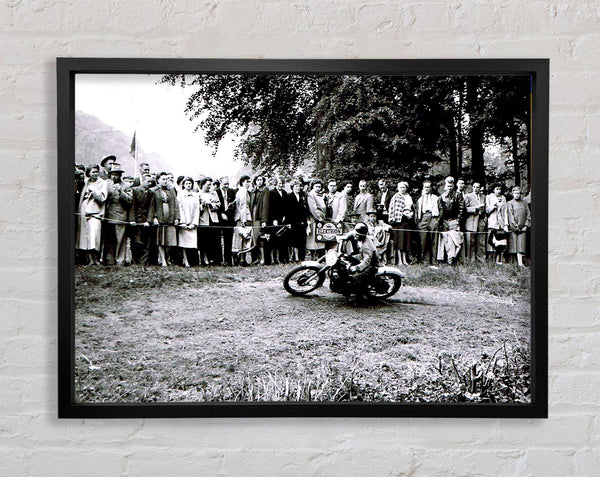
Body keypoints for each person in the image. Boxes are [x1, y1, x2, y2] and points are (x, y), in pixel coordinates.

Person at [76, 164, 108, 265]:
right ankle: (89, 259)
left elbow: (103, 198)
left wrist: (93, 191)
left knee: (95, 235)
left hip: (96, 211)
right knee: (85, 235)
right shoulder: (86, 182)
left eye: (96, 171)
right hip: (84, 210)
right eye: (93, 172)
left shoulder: (103, 183)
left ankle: (96, 258)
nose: (95, 174)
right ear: (88, 173)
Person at [148, 171, 180, 266]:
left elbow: (175, 205)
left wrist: (177, 217)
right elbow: (152, 206)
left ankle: (167, 257)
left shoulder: (171, 190)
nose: (165, 181)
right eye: (163, 179)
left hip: (170, 217)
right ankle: (163, 260)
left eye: (166, 179)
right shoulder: (154, 191)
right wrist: (154, 217)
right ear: (158, 180)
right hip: (160, 217)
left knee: (170, 241)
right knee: (160, 240)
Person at [103, 164, 132, 266]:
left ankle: (120, 260)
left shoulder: (126, 186)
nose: (114, 177)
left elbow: (130, 200)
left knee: (121, 239)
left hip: (120, 216)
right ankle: (109, 260)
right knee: (109, 239)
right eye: (112, 174)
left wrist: (121, 191)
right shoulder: (106, 184)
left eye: (117, 174)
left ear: (120, 175)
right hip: (107, 216)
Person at [346, 222, 379, 304]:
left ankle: (360, 298)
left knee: (355, 277)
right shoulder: (365, 239)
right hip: (368, 261)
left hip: (372, 265)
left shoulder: (366, 246)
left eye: (357, 235)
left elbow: (366, 262)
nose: (355, 236)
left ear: (361, 235)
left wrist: (356, 268)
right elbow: (362, 256)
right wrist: (351, 257)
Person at [437, 177, 465, 265]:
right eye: (448, 185)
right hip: (445, 221)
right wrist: (441, 222)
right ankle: (446, 259)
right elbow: (440, 209)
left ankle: (455, 259)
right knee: (447, 241)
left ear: (453, 185)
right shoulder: (441, 197)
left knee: (456, 241)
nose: (449, 187)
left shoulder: (458, 195)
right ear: (445, 185)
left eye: (451, 185)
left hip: (454, 221)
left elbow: (462, 208)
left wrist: (458, 219)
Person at [130, 173, 155, 265]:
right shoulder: (135, 190)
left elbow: (152, 208)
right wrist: (132, 219)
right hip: (136, 220)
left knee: (146, 242)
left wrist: (149, 221)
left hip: (145, 221)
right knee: (135, 242)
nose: (150, 184)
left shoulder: (151, 193)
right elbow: (132, 206)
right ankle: (134, 261)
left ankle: (143, 261)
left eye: (151, 182)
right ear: (143, 181)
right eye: (148, 181)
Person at [388, 181, 414, 266]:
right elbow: (394, 209)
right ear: (398, 188)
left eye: (404, 187)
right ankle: (399, 260)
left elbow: (411, 208)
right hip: (398, 221)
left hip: (407, 220)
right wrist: (404, 214)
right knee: (399, 241)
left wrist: (410, 214)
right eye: (401, 187)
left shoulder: (408, 197)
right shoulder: (396, 196)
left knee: (406, 240)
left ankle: (404, 260)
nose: (402, 189)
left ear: (406, 188)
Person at [197, 177, 221, 265]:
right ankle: (204, 258)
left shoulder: (214, 193)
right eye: (208, 185)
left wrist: (211, 205)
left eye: (210, 185)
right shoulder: (198, 194)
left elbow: (218, 205)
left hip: (213, 219)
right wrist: (203, 205)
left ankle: (213, 259)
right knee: (204, 240)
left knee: (213, 240)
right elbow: (197, 208)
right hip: (203, 220)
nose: (210, 186)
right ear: (203, 185)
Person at [415, 180, 440, 264]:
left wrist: (437, 220)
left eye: (428, 187)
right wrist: (418, 221)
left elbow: (441, 209)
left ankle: (433, 260)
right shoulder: (420, 199)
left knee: (433, 239)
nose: (426, 188)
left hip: (433, 217)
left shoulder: (436, 198)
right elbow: (417, 211)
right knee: (423, 239)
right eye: (425, 187)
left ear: (431, 188)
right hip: (423, 217)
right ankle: (422, 260)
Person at [178, 177, 200, 267]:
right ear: (183, 185)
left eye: (190, 183)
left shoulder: (195, 195)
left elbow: (197, 209)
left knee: (192, 242)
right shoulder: (180, 194)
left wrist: (193, 223)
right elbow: (180, 208)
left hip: (192, 221)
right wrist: (183, 222)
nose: (188, 185)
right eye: (186, 183)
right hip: (184, 221)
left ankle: (192, 261)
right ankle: (185, 260)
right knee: (183, 242)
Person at [506, 186, 530, 267]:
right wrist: (515, 227)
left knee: (521, 246)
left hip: (523, 229)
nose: (517, 195)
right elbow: (510, 216)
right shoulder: (510, 203)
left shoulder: (524, 203)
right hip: (514, 229)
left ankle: (521, 263)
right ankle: (512, 264)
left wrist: (526, 226)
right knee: (513, 246)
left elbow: (528, 215)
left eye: (518, 193)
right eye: (515, 193)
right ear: (513, 194)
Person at [285, 179, 308, 262]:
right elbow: (287, 211)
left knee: (302, 240)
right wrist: (288, 222)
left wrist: (305, 221)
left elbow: (305, 210)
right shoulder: (289, 196)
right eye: (296, 186)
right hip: (292, 222)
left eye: (299, 186)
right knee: (293, 240)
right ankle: (295, 257)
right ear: (292, 187)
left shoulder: (303, 196)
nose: (298, 188)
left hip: (302, 222)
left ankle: (302, 257)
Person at [215, 176, 237, 266]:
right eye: (224, 184)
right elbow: (215, 205)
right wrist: (221, 214)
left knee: (229, 240)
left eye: (228, 183)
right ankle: (219, 260)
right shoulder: (216, 192)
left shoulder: (231, 192)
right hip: (219, 219)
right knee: (218, 240)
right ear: (220, 183)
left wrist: (228, 213)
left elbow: (233, 205)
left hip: (229, 219)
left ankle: (228, 261)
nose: (226, 185)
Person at [232, 175, 253, 266]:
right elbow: (243, 206)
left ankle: (241, 258)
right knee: (243, 237)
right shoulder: (243, 191)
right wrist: (244, 220)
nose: (248, 184)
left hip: (241, 216)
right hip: (243, 217)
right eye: (247, 182)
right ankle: (241, 259)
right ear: (242, 182)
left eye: (249, 182)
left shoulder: (242, 191)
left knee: (243, 238)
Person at [463, 181, 487, 263]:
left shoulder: (483, 197)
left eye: (478, 187)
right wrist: (476, 208)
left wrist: (484, 218)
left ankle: (481, 259)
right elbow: (465, 209)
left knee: (481, 241)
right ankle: (471, 260)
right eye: (475, 187)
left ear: (480, 188)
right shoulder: (467, 196)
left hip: (480, 221)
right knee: (471, 241)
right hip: (471, 221)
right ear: (472, 187)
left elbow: (485, 209)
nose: (476, 189)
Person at [249, 175, 270, 265]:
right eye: (258, 180)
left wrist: (264, 219)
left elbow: (265, 205)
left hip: (259, 215)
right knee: (253, 237)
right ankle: (255, 258)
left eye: (261, 180)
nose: (259, 182)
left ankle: (262, 258)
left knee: (260, 237)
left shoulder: (265, 190)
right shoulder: (253, 191)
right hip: (252, 215)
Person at [486, 183, 508, 263]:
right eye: (496, 189)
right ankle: (491, 259)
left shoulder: (503, 198)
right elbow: (487, 210)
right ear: (493, 189)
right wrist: (493, 205)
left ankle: (499, 259)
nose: (498, 191)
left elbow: (505, 211)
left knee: (500, 241)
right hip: (492, 221)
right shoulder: (489, 197)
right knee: (491, 240)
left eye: (499, 189)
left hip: (500, 223)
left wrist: (506, 224)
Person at [268, 176, 288, 264]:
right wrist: (273, 219)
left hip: (283, 219)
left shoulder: (284, 193)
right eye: (279, 183)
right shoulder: (271, 192)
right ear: (276, 183)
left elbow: (286, 207)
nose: (281, 185)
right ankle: (274, 258)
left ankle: (282, 258)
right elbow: (270, 207)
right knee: (274, 239)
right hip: (275, 219)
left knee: (283, 239)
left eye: (282, 183)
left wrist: (285, 216)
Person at [306, 179, 327, 259]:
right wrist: (318, 217)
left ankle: (318, 256)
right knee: (313, 239)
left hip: (321, 219)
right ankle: (313, 256)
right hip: (314, 220)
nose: (318, 188)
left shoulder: (319, 195)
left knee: (319, 238)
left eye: (319, 187)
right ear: (313, 186)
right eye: (316, 186)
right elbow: (313, 208)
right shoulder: (311, 195)